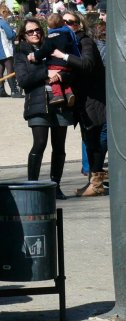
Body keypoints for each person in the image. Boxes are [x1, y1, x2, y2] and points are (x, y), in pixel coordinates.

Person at [14, 17, 74, 200]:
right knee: (39, 143)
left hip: (60, 102)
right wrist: (45, 73)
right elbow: (23, 80)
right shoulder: (21, 53)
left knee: (59, 146)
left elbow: (69, 67)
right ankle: (33, 185)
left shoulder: (52, 46)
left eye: (37, 30)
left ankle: (56, 185)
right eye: (30, 31)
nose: (35, 34)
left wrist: (61, 75)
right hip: (38, 103)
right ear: (23, 36)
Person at [53, 11, 108, 197]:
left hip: (94, 100)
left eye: (72, 22)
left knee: (96, 142)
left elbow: (87, 64)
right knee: (90, 141)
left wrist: (64, 56)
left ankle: (97, 184)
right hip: (83, 102)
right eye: (64, 22)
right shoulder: (68, 43)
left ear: (79, 25)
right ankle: (93, 183)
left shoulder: (85, 41)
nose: (67, 25)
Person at [28, 13, 79, 106]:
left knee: (54, 79)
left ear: (48, 26)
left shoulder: (51, 37)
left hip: (55, 64)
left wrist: (34, 55)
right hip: (68, 64)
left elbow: (44, 50)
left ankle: (58, 95)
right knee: (64, 80)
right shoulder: (68, 35)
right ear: (63, 23)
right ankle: (69, 93)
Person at [0, 4, 20, 98]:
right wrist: (15, 32)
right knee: (10, 69)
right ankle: (14, 91)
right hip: (5, 50)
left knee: (0, 70)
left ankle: (1, 90)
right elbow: (10, 35)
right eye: (7, 14)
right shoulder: (2, 22)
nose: (7, 16)